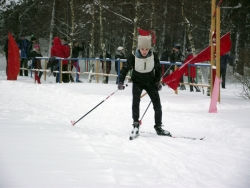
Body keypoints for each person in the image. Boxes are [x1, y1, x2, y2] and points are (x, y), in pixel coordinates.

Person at [118, 34, 171, 137]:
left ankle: (158, 127)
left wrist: (157, 82)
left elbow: (158, 69)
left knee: (157, 105)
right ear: (139, 48)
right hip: (137, 82)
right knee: (136, 102)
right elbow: (125, 69)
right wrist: (120, 81)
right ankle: (136, 124)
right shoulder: (133, 56)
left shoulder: (153, 55)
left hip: (150, 82)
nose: (144, 51)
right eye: (142, 49)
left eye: (146, 49)